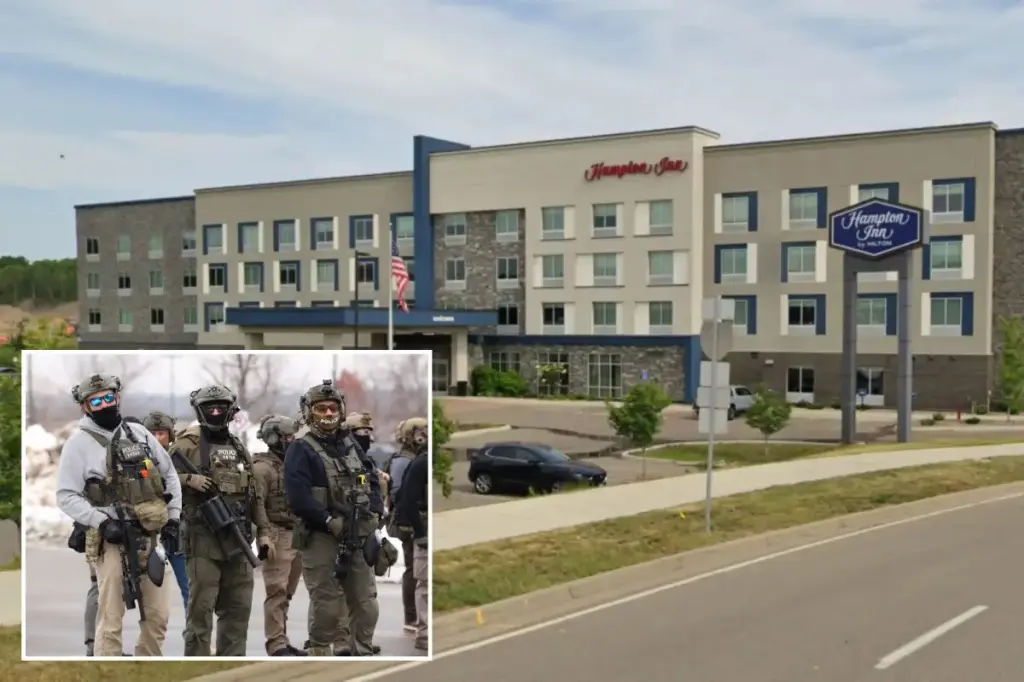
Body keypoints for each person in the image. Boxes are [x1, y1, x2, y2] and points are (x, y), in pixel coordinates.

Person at [55, 373, 183, 657]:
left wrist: (173, 519)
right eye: (96, 401)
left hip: (148, 536)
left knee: (159, 615)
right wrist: (101, 522)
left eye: (109, 397)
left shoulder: (139, 434)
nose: (104, 405)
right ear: (85, 407)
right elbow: (66, 495)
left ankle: (144, 666)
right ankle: (108, 665)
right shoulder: (78, 444)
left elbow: (169, 475)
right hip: (110, 539)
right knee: (111, 617)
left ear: (117, 397)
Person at [170, 385, 272, 656]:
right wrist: (188, 479)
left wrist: (263, 532)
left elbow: (255, 496)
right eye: (209, 408)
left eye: (221, 407)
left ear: (230, 411)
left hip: (238, 542)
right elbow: (159, 481)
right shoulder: (185, 446)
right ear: (199, 411)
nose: (215, 413)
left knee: (237, 613)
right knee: (200, 615)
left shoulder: (238, 447)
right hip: (203, 542)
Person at [284, 381, 381, 657]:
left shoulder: (349, 444)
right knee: (326, 603)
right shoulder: (300, 449)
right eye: (320, 408)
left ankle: (361, 651)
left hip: (358, 532)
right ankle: (319, 654)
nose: (328, 413)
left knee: (366, 602)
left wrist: (375, 510)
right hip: (321, 537)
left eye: (332, 407)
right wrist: (328, 521)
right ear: (309, 412)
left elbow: (371, 479)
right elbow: (298, 497)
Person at [253, 415, 307, 656]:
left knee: (287, 593)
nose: (291, 441)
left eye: (292, 437)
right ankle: (275, 644)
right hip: (276, 534)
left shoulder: (293, 464)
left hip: (296, 533)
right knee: (276, 591)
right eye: (286, 438)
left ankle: (282, 639)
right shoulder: (262, 469)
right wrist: (264, 536)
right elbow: (257, 506)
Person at [384, 417, 428, 634]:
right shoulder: (403, 460)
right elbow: (399, 493)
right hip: (408, 521)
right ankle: (411, 617)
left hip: (414, 518)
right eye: (423, 431)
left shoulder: (417, 457)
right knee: (413, 569)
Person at [142, 411, 189, 610]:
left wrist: (188, 479)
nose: (158, 438)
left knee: (189, 587)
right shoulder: (137, 459)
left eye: (162, 433)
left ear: (170, 435)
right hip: (147, 531)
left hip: (176, 529)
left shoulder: (180, 457)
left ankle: (197, 639)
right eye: (153, 434)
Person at [394, 424, 429, 653]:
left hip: (421, 523)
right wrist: (418, 530)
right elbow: (403, 497)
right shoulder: (410, 462)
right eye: (420, 433)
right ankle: (417, 623)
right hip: (417, 524)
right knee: (417, 575)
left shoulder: (421, 460)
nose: (423, 437)